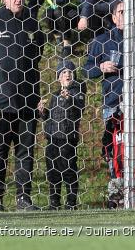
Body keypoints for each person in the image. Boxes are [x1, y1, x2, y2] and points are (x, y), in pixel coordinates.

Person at [84, 1, 135, 209]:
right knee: (115, 151)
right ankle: (118, 195)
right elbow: (87, 70)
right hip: (113, 104)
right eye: (122, 12)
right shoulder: (102, 41)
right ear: (113, 17)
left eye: (129, 12)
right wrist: (101, 67)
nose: (125, 15)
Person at [0, 0, 44, 212]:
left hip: (27, 101)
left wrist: (36, 95)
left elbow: (36, 58)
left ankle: (23, 199)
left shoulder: (31, 23)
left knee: (25, 151)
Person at [41, 59, 85, 210]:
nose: (67, 74)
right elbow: (50, 117)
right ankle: (54, 202)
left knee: (68, 170)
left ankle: (71, 203)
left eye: (70, 72)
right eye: (64, 72)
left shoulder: (78, 92)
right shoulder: (55, 94)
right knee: (53, 172)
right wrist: (43, 111)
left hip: (67, 138)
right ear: (58, 77)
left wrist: (70, 99)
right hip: (53, 138)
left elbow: (79, 111)